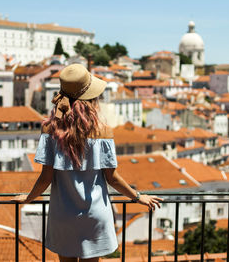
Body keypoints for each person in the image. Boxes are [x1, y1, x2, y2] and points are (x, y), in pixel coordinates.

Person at [12, 64, 163, 262]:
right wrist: (137, 197)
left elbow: (45, 177)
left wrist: (29, 198)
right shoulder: (103, 131)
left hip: (63, 215)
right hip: (94, 215)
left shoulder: (50, 129)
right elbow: (113, 179)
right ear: (91, 97)